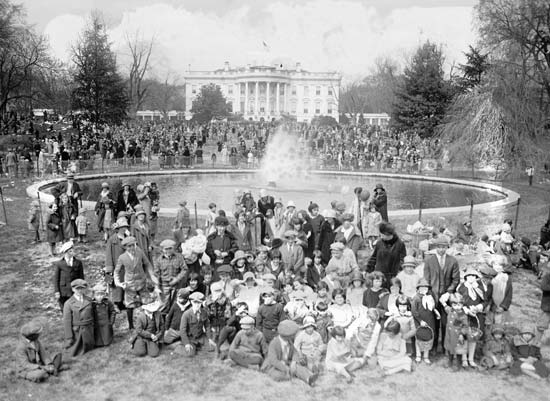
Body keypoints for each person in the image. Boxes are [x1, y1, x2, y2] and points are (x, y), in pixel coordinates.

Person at [423, 235, 460, 351]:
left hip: (446, 297)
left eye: (444, 247)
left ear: (447, 248)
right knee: (433, 322)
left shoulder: (452, 261)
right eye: (439, 247)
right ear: (435, 247)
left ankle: (445, 347)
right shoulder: (429, 261)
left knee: (446, 322)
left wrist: (449, 292)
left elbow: (456, 279)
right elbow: (426, 279)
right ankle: (433, 347)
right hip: (433, 295)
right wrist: (428, 294)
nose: (441, 249)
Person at [114, 236, 159, 330]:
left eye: (133, 245)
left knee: (147, 302)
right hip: (129, 284)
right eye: (129, 246)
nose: (131, 248)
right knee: (129, 305)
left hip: (141, 281)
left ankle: (148, 322)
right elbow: (116, 271)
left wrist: (152, 276)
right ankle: (131, 325)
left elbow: (147, 264)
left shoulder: (140, 252)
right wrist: (119, 283)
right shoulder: (122, 257)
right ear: (125, 247)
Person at [261, 320, 319, 386]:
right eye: (293, 335)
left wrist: (294, 362)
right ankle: (289, 375)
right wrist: (285, 368)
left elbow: (295, 352)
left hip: (287, 362)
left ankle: (309, 378)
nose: (294, 336)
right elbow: (273, 360)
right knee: (278, 375)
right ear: (287, 335)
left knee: (299, 368)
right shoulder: (274, 343)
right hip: (274, 366)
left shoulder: (289, 341)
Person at [153, 239, 187, 313]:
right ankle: (162, 321)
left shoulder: (179, 257)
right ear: (162, 249)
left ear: (173, 248)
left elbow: (184, 269)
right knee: (164, 305)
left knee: (176, 304)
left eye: (170, 248)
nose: (168, 251)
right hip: (164, 286)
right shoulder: (159, 260)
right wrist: (157, 287)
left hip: (177, 285)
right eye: (166, 249)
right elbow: (156, 274)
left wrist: (177, 279)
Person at [63, 279, 95, 357]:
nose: (80, 291)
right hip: (77, 330)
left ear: (85, 289)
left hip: (89, 330)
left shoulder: (89, 300)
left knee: (91, 346)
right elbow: (67, 321)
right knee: (75, 350)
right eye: (77, 288)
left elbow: (94, 316)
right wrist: (69, 337)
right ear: (73, 289)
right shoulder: (68, 303)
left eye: (82, 288)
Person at [411, 278, 440, 364]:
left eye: (426, 288)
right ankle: (418, 355)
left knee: (428, 337)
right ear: (418, 289)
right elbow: (414, 311)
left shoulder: (430, 297)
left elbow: (432, 307)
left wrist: (436, 312)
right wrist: (420, 321)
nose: (424, 290)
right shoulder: (416, 298)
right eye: (422, 288)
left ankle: (426, 356)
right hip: (419, 321)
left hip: (429, 320)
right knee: (419, 337)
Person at [179, 292, 216, 357]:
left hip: (200, 336)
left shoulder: (204, 312)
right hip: (190, 338)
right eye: (195, 302)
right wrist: (187, 343)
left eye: (199, 303)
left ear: (201, 303)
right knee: (190, 354)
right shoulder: (186, 314)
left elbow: (207, 326)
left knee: (212, 348)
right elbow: (182, 330)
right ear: (191, 302)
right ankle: (180, 345)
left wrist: (209, 338)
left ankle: (197, 346)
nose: (197, 305)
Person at [53, 241, 84, 311]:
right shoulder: (60, 264)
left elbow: (81, 277)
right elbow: (56, 279)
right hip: (63, 291)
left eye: (73, 250)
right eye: (70, 251)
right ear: (66, 252)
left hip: (74, 290)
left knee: (75, 308)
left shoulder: (78, 263)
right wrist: (57, 291)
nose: (73, 252)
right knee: (64, 309)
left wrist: (81, 288)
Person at [442, 293, 469, 370]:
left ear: (462, 305)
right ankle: (450, 362)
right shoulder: (450, 310)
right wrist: (443, 302)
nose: (457, 307)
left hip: (458, 336)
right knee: (450, 349)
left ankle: (458, 365)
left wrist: (462, 334)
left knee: (458, 351)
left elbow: (465, 326)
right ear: (452, 305)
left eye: (459, 305)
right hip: (450, 335)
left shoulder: (462, 315)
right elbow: (446, 307)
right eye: (455, 305)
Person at [92, 282, 115, 347]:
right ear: (94, 295)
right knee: (98, 334)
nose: (99, 297)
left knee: (106, 334)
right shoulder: (92, 304)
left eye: (101, 295)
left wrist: (111, 322)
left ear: (104, 295)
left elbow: (113, 312)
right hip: (97, 323)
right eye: (97, 295)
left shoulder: (108, 303)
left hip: (106, 323)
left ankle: (107, 341)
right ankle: (98, 343)